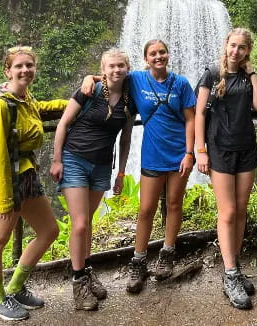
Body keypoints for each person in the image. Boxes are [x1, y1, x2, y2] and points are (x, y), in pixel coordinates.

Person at [82, 40, 196, 294]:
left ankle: (167, 253)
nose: (158, 56)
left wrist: (190, 153)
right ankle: (139, 260)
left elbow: (191, 119)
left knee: (174, 203)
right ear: (145, 59)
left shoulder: (182, 84)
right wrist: (89, 78)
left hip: (178, 153)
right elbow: (112, 74)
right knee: (146, 209)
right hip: (152, 154)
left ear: (168, 55)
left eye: (162, 52)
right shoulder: (136, 79)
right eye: (153, 53)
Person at [0, 46, 67, 321]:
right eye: (19, 66)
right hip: (5, 181)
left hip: (26, 175)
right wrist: (5, 199)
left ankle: (15, 287)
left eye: (29, 65)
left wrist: (74, 101)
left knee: (49, 230)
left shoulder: (23, 97)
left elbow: (39, 109)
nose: (25, 70)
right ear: (7, 70)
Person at [50, 48, 135, 310]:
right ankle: (78, 283)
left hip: (101, 167)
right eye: (111, 66)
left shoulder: (130, 99)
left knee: (88, 223)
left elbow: (126, 139)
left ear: (127, 68)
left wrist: (121, 172)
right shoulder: (89, 90)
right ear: (103, 69)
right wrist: (56, 159)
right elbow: (64, 123)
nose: (116, 70)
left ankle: (86, 271)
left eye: (121, 65)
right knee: (80, 223)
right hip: (74, 159)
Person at [195, 28, 257, 309]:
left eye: (241, 48)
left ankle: (234, 265)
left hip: (246, 149)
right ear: (226, 45)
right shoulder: (212, 74)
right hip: (219, 149)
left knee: (241, 209)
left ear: (247, 51)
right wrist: (200, 150)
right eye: (232, 46)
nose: (235, 51)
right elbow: (200, 112)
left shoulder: (248, 77)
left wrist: (252, 73)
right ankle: (230, 274)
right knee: (228, 212)